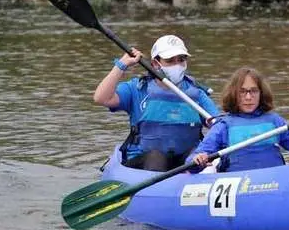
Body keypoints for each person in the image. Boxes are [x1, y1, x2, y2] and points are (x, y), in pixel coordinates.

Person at [93, 34, 220, 171]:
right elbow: (101, 98)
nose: (177, 65)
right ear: (155, 64)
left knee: (198, 155)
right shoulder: (138, 89)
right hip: (143, 162)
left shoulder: (197, 94)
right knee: (156, 157)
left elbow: (218, 126)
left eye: (181, 60)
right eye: (170, 60)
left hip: (186, 161)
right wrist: (122, 65)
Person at [187, 67, 289, 173]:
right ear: (234, 94)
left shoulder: (274, 121)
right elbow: (192, 163)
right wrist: (198, 159)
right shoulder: (224, 126)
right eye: (242, 92)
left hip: (275, 183)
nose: (248, 97)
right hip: (238, 186)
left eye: (253, 91)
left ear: (261, 93)